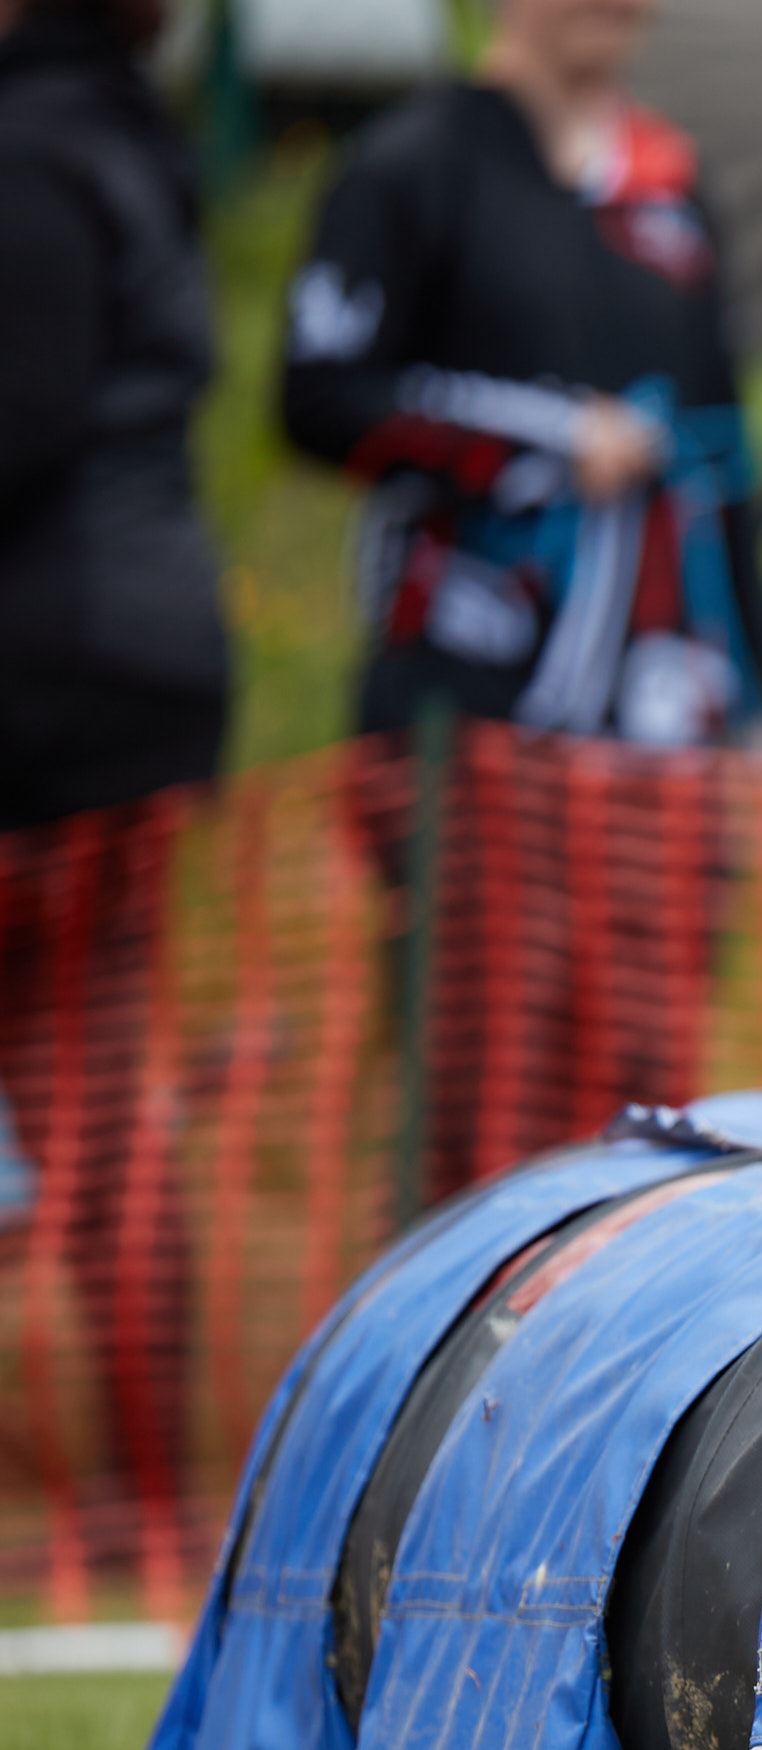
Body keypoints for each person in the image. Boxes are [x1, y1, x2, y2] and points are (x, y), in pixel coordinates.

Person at [280, 0, 762, 1196]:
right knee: (482, 1088)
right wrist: (545, 436)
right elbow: (318, 397)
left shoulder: (671, 184)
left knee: (649, 1090)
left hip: (660, 724)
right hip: (471, 718)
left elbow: (725, 458)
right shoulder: (410, 166)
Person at [0, 0, 222, 1610]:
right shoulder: (138, 141)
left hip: (47, 677)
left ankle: (139, 1496)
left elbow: (17, 427)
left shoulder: (31, 156)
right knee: (98, 1086)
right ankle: (148, 1498)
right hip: (149, 654)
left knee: (82, 1088)